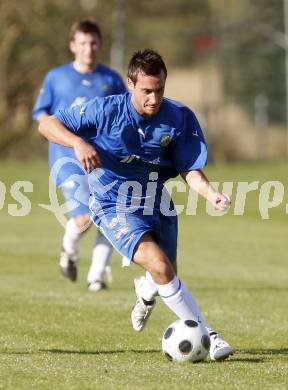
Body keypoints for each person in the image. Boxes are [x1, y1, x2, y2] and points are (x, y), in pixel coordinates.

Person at [38, 49, 233, 361]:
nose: (154, 99)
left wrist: (211, 194)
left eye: (159, 90)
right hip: (111, 203)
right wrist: (78, 142)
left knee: (166, 272)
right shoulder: (105, 111)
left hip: (156, 201)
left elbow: (189, 169)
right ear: (130, 84)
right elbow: (47, 124)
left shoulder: (178, 118)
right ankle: (209, 333)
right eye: (146, 91)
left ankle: (145, 291)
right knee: (160, 266)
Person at [32, 20, 126, 291]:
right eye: (83, 43)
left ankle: (96, 277)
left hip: (102, 159)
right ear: (73, 46)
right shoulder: (56, 77)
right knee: (83, 219)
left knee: (110, 217)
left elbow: (124, 115)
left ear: (100, 44)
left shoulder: (111, 79)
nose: (89, 48)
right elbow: (41, 113)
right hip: (66, 158)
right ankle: (69, 251)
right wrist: (63, 134)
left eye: (93, 42)